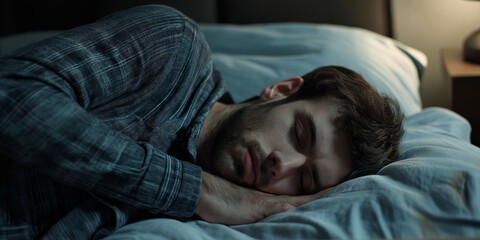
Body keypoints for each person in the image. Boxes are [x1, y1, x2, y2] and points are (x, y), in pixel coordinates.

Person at [0, 4, 404, 240]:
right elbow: (12, 94)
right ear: (281, 90)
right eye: (299, 133)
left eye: (306, 181)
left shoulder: (223, 224)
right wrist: (195, 191)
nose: (284, 165)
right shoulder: (175, 49)